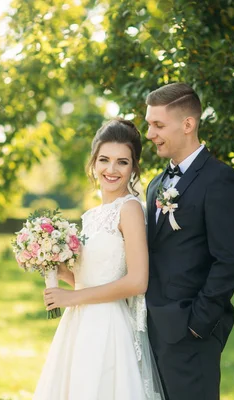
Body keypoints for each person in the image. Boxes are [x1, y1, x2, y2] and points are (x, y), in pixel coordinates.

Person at [34, 118, 165, 400]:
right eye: (104, 159)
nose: (111, 169)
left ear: (133, 167)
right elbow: (85, 277)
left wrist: (71, 298)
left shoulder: (129, 209)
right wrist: (48, 259)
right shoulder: (90, 216)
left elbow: (137, 281)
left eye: (122, 162)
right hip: (79, 324)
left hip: (108, 326)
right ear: (94, 162)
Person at [144, 83, 234, 400]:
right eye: (149, 124)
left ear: (187, 124)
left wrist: (197, 324)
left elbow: (232, 261)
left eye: (158, 125)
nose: (150, 134)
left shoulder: (220, 180)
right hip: (151, 331)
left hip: (191, 334)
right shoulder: (156, 185)